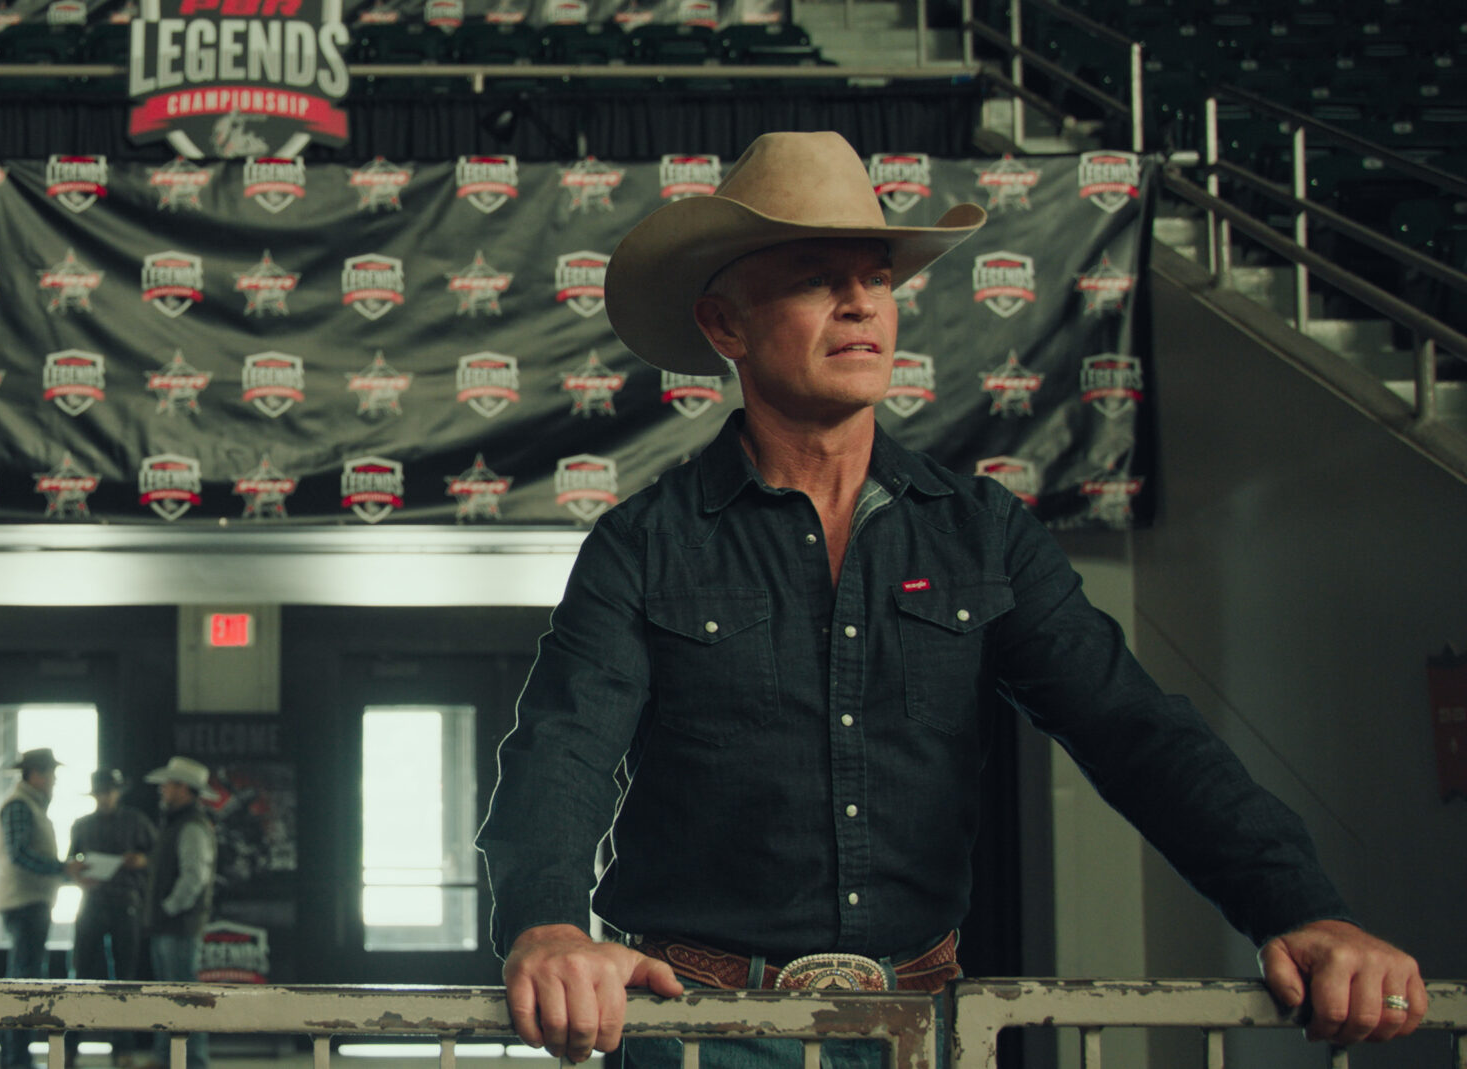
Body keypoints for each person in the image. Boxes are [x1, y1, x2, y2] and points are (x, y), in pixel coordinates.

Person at [476, 131, 1428, 1068]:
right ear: (726, 327)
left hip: (921, 1026)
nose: (860, 302)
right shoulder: (644, 543)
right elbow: (562, 749)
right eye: (815, 278)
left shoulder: (983, 532)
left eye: (876, 277)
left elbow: (1136, 731)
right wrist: (547, 923)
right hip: (701, 1030)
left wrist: (1303, 908)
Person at [68, 767, 157, 1064]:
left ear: (118, 792)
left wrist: (142, 861)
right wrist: (76, 872)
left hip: (125, 902)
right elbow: (71, 862)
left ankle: (123, 1049)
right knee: (81, 974)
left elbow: (158, 856)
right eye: (101, 793)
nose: (105, 797)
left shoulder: (136, 821)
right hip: (93, 901)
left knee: (125, 979)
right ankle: (70, 1048)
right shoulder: (82, 825)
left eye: (109, 792)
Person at [142, 756, 217, 1069]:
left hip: (178, 926)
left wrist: (168, 908)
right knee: (172, 994)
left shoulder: (190, 826)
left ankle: (192, 1061)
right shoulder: (181, 823)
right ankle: (167, 1058)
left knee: (184, 996)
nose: (163, 789)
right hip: (171, 925)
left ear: (183, 788)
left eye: (168, 784)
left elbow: (193, 878)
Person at [0, 747, 67, 1069]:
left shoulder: (30, 805)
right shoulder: (21, 805)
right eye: (51, 774)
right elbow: (20, 854)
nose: (54, 781)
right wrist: (62, 869)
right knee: (24, 984)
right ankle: (16, 1061)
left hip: (30, 903)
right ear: (36, 774)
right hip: (25, 904)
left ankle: (16, 1058)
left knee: (24, 980)